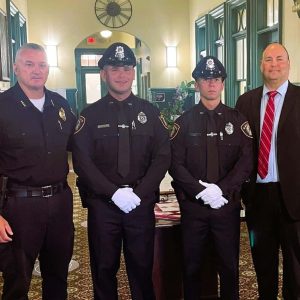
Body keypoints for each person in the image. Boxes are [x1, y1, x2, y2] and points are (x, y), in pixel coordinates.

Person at [72, 42, 170, 300]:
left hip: (140, 205)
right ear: (103, 73)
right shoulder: (89, 115)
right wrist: (113, 193)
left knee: (142, 269)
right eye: (115, 68)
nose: (122, 74)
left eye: (127, 68)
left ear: (134, 73)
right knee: (104, 271)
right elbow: (82, 162)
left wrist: (140, 193)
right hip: (104, 207)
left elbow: (162, 157)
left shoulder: (150, 113)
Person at [170, 56, 253, 299]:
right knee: (192, 267)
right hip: (194, 208)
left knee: (229, 268)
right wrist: (200, 190)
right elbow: (175, 164)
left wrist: (221, 190)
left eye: (216, 79)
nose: (211, 84)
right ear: (196, 84)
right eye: (206, 79)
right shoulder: (183, 123)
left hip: (226, 207)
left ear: (223, 84)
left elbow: (246, 161)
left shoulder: (237, 120)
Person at [0, 43, 76, 300]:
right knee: (17, 280)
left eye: (42, 65)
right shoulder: (3, 106)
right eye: (29, 64)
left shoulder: (60, 104)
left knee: (57, 276)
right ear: (16, 68)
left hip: (59, 202)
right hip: (18, 206)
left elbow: (81, 148)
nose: (36, 70)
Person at [236, 43, 300, 299]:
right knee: (263, 264)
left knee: (296, 268)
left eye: (279, 59)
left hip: (294, 198)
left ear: (288, 64)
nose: (274, 64)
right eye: (268, 59)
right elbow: (238, 151)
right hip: (258, 197)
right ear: (261, 65)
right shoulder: (246, 101)